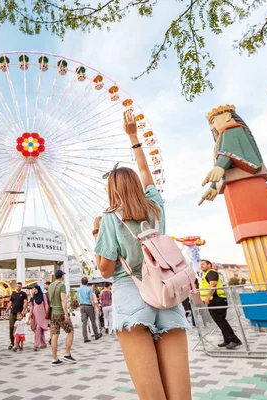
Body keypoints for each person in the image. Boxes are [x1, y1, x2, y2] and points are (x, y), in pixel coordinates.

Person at [93, 110, 191, 399]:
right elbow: (146, 172)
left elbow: (106, 270)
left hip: (131, 292)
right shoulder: (155, 207)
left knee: (151, 394)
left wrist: (97, 236)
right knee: (180, 393)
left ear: (111, 191)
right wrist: (134, 137)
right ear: (136, 185)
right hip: (166, 292)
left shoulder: (111, 218)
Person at [200, 260, 242, 349]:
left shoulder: (211, 272)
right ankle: (227, 340)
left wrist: (207, 297)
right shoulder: (207, 273)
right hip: (215, 300)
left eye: (203, 264)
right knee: (220, 320)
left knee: (220, 320)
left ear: (209, 265)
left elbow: (213, 284)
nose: (201, 266)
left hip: (216, 299)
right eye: (200, 264)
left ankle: (234, 340)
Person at [47, 270, 76, 365]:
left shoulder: (50, 286)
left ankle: (55, 359)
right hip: (61, 313)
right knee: (70, 331)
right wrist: (66, 313)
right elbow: (63, 300)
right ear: (62, 276)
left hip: (53, 313)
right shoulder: (62, 285)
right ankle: (67, 354)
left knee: (54, 335)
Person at [77, 277, 101, 343]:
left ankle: (85, 338)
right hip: (89, 306)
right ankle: (96, 335)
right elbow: (91, 299)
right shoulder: (89, 289)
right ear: (87, 282)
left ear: (81, 282)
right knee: (93, 321)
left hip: (82, 306)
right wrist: (94, 307)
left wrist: (80, 305)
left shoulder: (79, 290)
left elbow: (78, 299)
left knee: (84, 323)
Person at [6, 282, 28, 350]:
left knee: (19, 329)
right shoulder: (13, 293)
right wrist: (7, 309)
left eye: (20, 286)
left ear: (21, 287)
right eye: (17, 286)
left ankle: (17, 343)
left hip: (19, 314)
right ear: (16, 287)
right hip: (13, 313)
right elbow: (10, 302)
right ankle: (12, 342)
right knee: (11, 327)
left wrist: (24, 310)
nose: (18, 287)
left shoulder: (23, 294)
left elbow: (25, 302)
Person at [28, 285, 48, 350]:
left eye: (36, 289)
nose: (35, 290)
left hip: (42, 315)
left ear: (38, 289)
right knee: (40, 330)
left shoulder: (43, 295)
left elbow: (46, 304)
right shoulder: (34, 296)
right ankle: (44, 344)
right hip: (35, 315)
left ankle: (36, 345)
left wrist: (47, 313)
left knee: (38, 329)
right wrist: (30, 314)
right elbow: (32, 306)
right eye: (34, 289)